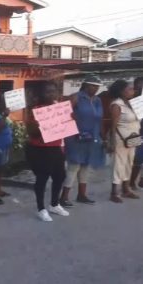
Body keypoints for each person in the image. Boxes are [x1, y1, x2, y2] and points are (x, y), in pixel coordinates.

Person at [25, 82, 69, 222]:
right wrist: (43, 125)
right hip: (41, 150)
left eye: (53, 91)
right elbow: (32, 132)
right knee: (42, 179)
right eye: (48, 91)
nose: (51, 94)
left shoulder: (59, 108)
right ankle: (41, 209)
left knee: (60, 176)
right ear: (42, 94)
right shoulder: (36, 109)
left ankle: (54, 204)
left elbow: (67, 125)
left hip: (56, 148)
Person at [60, 75, 106, 207]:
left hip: (92, 137)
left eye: (97, 86)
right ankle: (64, 197)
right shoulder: (76, 97)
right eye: (93, 86)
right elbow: (63, 114)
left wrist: (104, 137)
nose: (96, 88)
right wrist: (71, 119)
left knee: (85, 166)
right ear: (86, 85)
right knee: (73, 167)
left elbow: (100, 119)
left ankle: (82, 194)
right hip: (75, 138)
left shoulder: (97, 100)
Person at [108, 79, 140, 203]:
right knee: (119, 164)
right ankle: (114, 192)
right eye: (130, 89)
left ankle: (126, 189)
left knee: (129, 163)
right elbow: (113, 125)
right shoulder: (117, 105)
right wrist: (111, 141)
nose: (133, 91)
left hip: (134, 138)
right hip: (121, 139)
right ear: (122, 92)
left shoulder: (132, 103)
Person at [129, 77, 143, 190]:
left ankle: (140, 182)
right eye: (138, 87)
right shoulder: (131, 100)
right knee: (136, 159)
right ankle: (131, 182)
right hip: (135, 133)